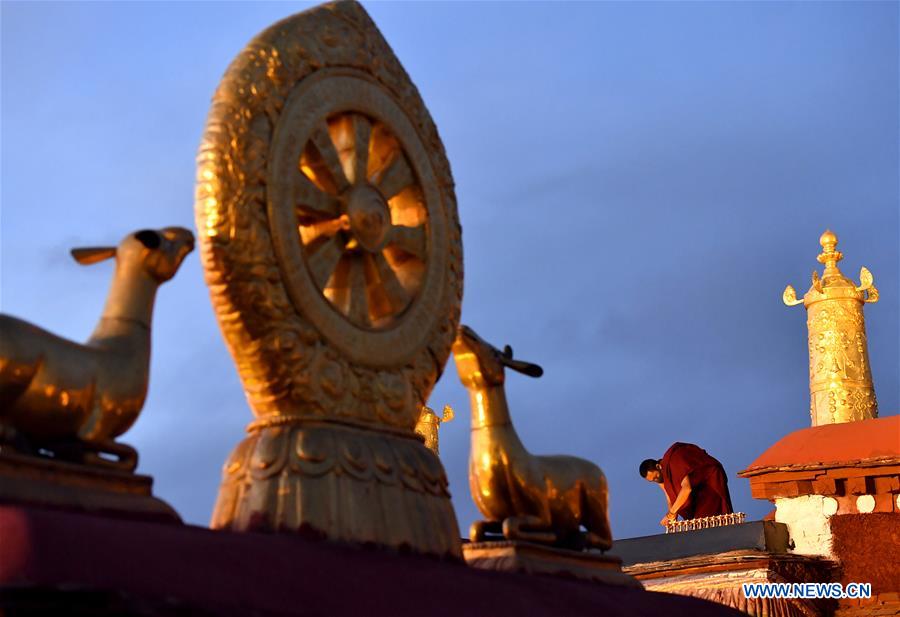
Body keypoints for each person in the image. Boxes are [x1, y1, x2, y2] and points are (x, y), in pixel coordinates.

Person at [640, 442, 733, 528]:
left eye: (656, 477)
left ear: (658, 466)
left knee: (704, 520)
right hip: (696, 490)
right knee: (696, 523)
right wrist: (672, 517)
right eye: (653, 481)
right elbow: (668, 495)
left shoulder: (674, 461)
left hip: (709, 480)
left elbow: (687, 489)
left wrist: (671, 513)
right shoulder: (661, 475)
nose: (657, 481)